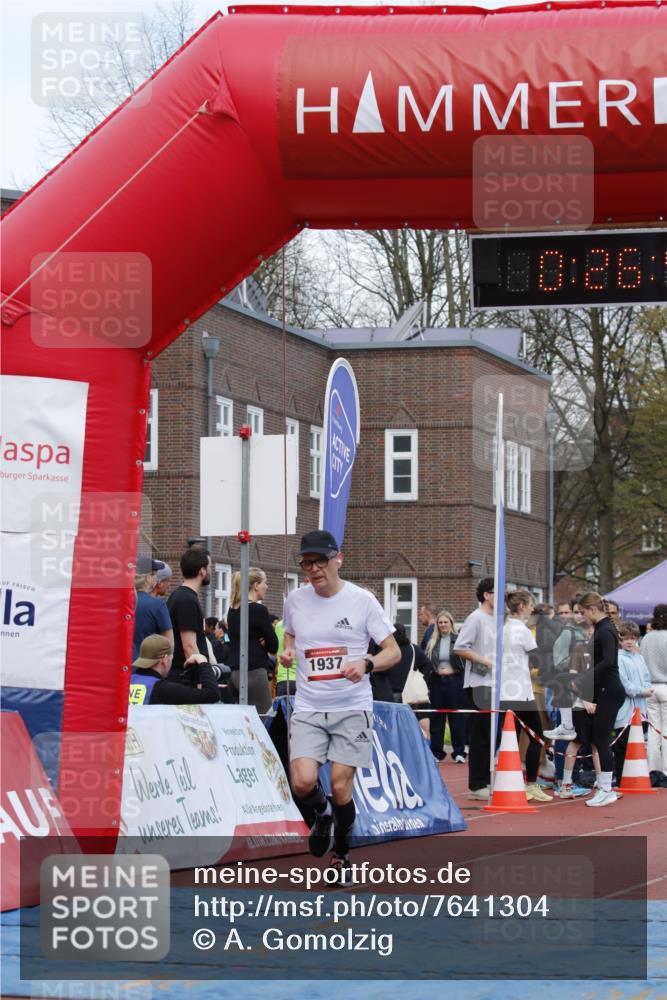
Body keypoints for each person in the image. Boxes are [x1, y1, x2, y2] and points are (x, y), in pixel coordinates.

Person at [281, 529, 400, 882]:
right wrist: (287, 651)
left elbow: (392, 650)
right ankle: (322, 814)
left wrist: (366, 664)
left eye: (320, 561)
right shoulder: (295, 600)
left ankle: (342, 856)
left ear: (338, 559)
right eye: (307, 563)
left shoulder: (362, 601)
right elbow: (290, 634)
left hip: (352, 706)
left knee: (341, 785)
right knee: (302, 782)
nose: (314, 569)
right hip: (309, 704)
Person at [558, 593, 625, 807]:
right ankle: (605, 787)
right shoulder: (601, 629)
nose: (582, 616)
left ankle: (607, 789)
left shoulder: (606, 630)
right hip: (602, 689)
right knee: (598, 739)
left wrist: (584, 677)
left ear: (593, 609)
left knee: (601, 739)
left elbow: (608, 661)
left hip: (610, 690)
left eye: (583, 612)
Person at [501, 590, 552, 802]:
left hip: (504, 690)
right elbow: (539, 660)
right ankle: (531, 783)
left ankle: (502, 782)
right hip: (521, 692)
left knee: (507, 737)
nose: (533, 609)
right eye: (531, 605)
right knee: (537, 737)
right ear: (522, 606)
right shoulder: (521, 630)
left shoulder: (503, 628)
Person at [453, 577, 495, 801]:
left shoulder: (498, 619)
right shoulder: (475, 618)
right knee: (480, 736)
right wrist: (486, 662)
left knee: (491, 735)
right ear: (487, 595)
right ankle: (477, 785)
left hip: (496, 684)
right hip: (478, 684)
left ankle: (486, 779)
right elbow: (459, 648)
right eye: (499, 593)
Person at [226, 567, 278, 714]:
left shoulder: (233, 609)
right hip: (254, 672)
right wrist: (264, 641)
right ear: (256, 586)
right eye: (265, 583)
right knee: (264, 720)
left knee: (243, 721)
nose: (266, 587)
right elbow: (274, 645)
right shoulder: (258, 610)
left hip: (234, 672)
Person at [129, 634, 221, 705]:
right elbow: (212, 694)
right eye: (170, 659)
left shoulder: (126, 683)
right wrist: (203, 662)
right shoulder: (162, 689)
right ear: (164, 660)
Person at [613, 622, 653, 781]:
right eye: (626, 638)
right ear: (620, 640)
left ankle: (634, 778)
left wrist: (646, 688)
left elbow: (646, 678)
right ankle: (621, 777)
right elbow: (626, 686)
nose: (629, 641)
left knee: (638, 746)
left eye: (632, 638)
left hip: (640, 711)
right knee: (622, 747)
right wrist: (643, 691)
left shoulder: (640, 658)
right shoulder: (618, 658)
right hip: (624, 712)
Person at [425, 610, 466, 763]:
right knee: (436, 718)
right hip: (436, 681)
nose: (443, 625)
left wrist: (456, 670)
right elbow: (425, 660)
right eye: (440, 622)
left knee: (457, 718)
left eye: (445, 622)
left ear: (451, 623)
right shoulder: (432, 641)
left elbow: (466, 660)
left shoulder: (459, 640)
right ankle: (437, 752)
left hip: (455, 681)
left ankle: (459, 752)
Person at [166, 546, 212, 680]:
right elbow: (189, 646)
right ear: (202, 571)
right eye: (209, 566)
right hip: (185, 677)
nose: (210, 570)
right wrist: (202, 678)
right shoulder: (187, 600)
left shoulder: (180, 596)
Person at [389, 621, 432, 740]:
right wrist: (421, 678)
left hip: (391, 692)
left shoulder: (388, 650)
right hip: (410, 693)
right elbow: (428, 664)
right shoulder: (414, 649)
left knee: (393, 726)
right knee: (414, 724)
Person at [640, 603, 667, 782]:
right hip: (665, 685)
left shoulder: (647, 638)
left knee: (653, 730)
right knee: (665, 731)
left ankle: (653, 769)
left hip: (649, 687)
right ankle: (665, 770)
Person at [132, 557, 173, 661]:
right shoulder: (157, 605)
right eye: (155, 574)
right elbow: (168, 645)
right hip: (147, 668)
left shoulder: (122, 603)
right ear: (149, 577)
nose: (156, 578)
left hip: (122, 667)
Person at [274, 617, 297, 698]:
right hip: (304, 680)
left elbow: (276, 650)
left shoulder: (279, 625)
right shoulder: (304, 624)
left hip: (284, 678)